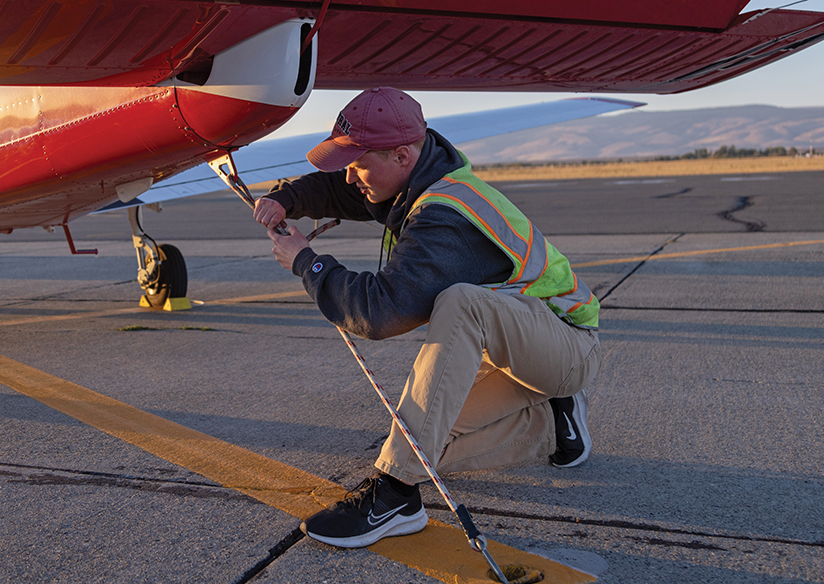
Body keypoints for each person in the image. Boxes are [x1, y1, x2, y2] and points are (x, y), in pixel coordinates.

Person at [253, 87, 601, 549]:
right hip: (514, 350)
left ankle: (397, 497)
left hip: (566, 347)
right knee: (418, 447)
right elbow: (343, 190)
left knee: (461, 302)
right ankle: (554, 426)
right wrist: (289, 197)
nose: (353, 178)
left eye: (359, 164)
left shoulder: (446, 217)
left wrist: (309, 263)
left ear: (400, 155)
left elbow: (378, 312)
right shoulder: (414, 177)